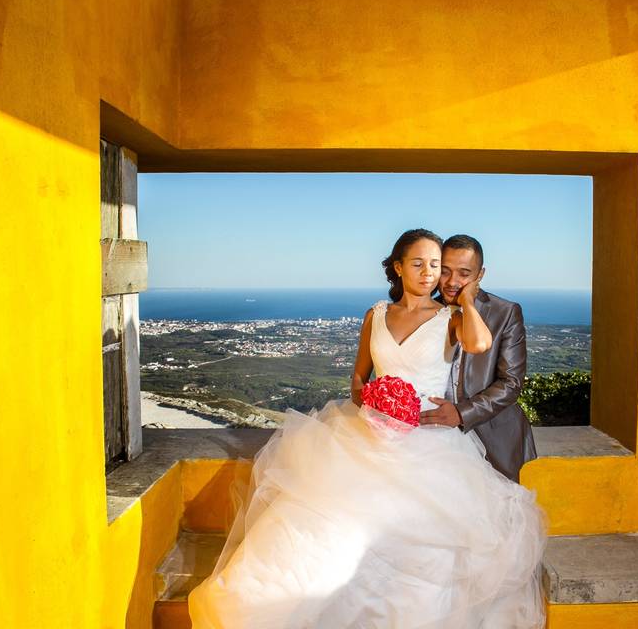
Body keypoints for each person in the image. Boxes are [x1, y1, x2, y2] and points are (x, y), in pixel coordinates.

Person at [187, 229, 546, 629]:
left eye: (443, 269)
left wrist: (464, 300)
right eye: (429, 266)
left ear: (479, 275)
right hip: (369, 437)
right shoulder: (376, 314)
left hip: (442, 441)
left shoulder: (457, 315)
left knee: (435, 547)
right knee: (324, 530)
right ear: (398, 267)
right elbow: (359, 378)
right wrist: (370, 399)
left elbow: (488, 356)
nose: (439, 277)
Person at [420, 235, 538, 483]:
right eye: (445, 271)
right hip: (433, 439)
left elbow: (511, 383)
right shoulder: (424, 311)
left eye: (464, 273)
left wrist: (461, 414)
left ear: (480, 274)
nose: (452, 282)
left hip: (494, 437)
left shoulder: (505, 312)